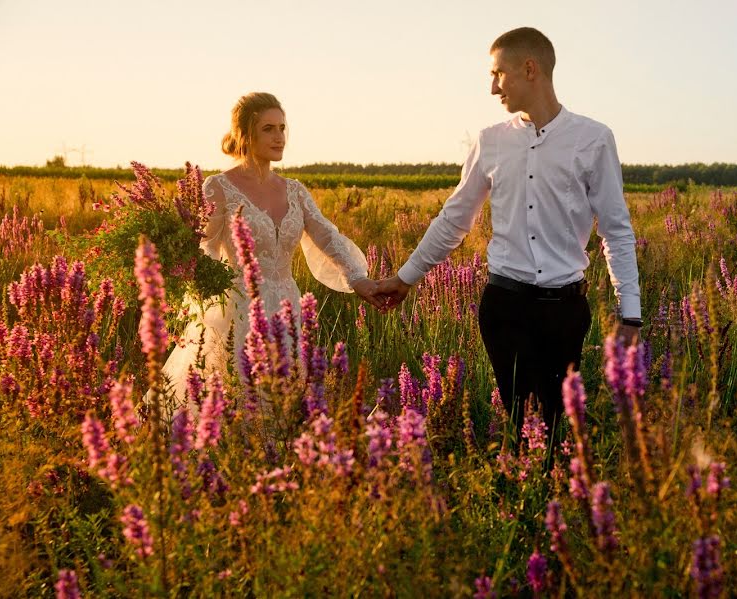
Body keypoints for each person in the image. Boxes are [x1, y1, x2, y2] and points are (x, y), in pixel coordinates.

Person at [376, 27, 642, 442]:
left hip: (565, 311)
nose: (492, 87)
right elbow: (454, 220)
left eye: (498, 74)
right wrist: (406, 277)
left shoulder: (593, 140)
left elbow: (616, 232)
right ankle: (520, 500)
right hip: (504, 307)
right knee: (520, 423)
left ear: (530, 69)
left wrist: (631, 314)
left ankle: (553, 501)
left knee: (557, 427)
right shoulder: (490, 142)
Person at [161, 92, 382, 412]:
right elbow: (203, 247)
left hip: (286, 308)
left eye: (282, 128)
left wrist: (359, 279)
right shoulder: (218, 187)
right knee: (233, 402)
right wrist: (199, 285)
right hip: (236, 311)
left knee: (283, 403)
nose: (279, 137)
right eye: (268, 129)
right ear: (244, 134)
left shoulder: (295, 190)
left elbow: (326, 236)